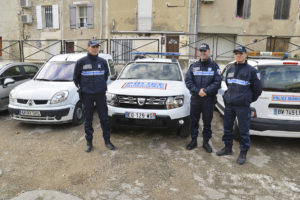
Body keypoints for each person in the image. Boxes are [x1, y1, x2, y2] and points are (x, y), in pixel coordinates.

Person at [216, 46, 262, 165]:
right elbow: (228, 84)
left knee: (243, 130)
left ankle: (243, 152)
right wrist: (228, 96)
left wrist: (247, 100)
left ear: (245, 55)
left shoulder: (251, 71)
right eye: (236, 53)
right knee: (227, 128)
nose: (238, 55)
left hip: (242, 106)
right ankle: (227, 148)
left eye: (240, 53)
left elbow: (258, 90)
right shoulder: (231, 68)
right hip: (230, 105)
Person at [73, 39, 115, 152]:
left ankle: (107, 141)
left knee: (104, 119)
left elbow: (105, 76)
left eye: (97, 46)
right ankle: (89, 143)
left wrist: (99, 87)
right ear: (88, 48)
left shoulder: (102, 61)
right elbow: (75, 78)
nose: (95, 48)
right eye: (93, 46)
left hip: (100, 94)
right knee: (88, 119)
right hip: (87, 95)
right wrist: (84, 89)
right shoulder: (81, 62)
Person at [185, 43, 221, 152]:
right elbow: (188, 81)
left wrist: (206, 91)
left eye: (205, 51)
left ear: (209, 52)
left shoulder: (215, 67)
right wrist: (197, 91)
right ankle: (194, 140)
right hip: (196, 99)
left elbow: (217, 82)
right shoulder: (193, 66)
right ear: (199, 52)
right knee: (194, 121)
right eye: (201, 51)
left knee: (207, 122)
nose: (203, 53)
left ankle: (206, 142)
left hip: (208, 100)